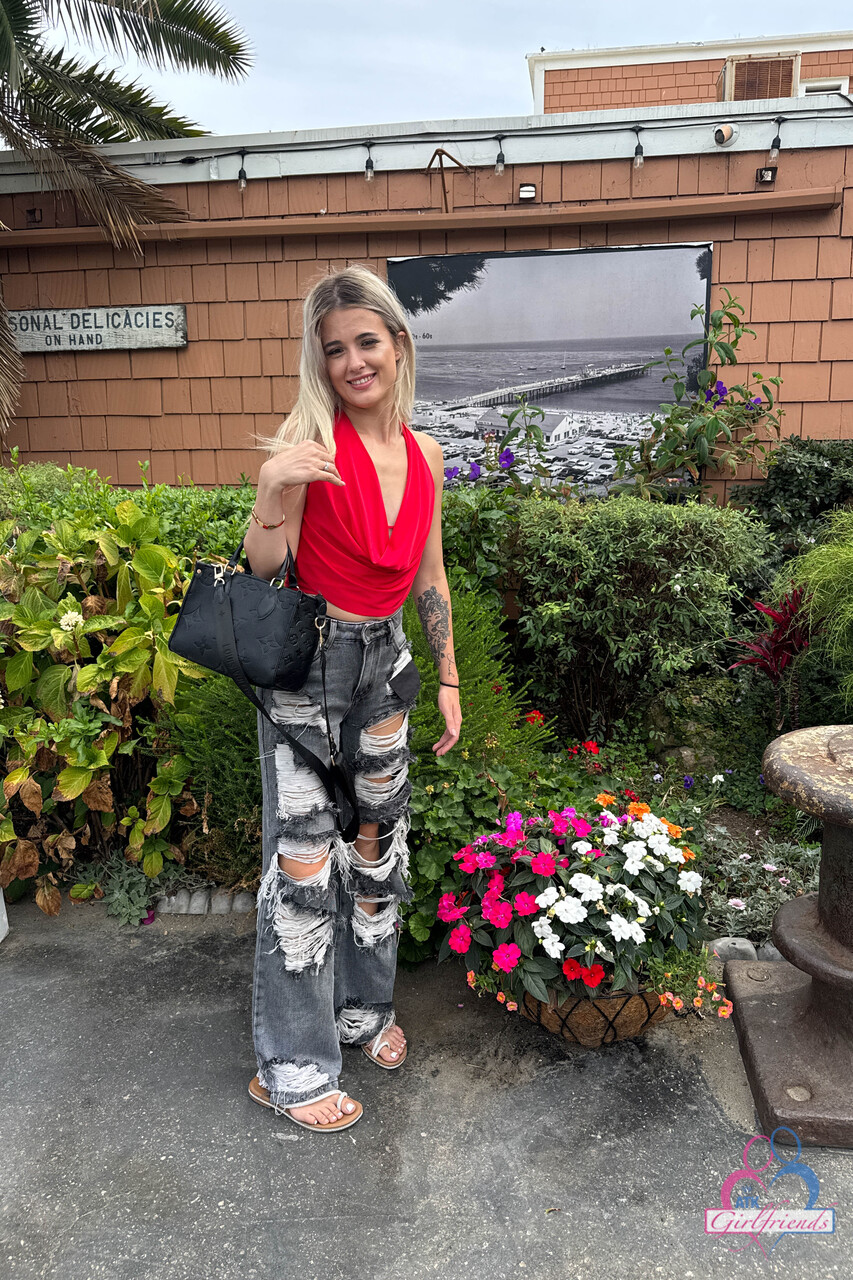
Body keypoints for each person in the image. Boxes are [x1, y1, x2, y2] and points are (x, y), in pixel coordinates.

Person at [242, 264, 461, 1132]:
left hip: (386, 665)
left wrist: (447, 677)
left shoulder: (426, 453)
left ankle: (361, 1012)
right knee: (303, 862)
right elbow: (264, 571)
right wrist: (271, 489)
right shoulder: (312, 446)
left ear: (397, 344)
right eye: (334, 350)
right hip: (309, 670)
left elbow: (430, 577)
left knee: (376, 846)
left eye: (366, 342)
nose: (352, 362)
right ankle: (291, 1068)